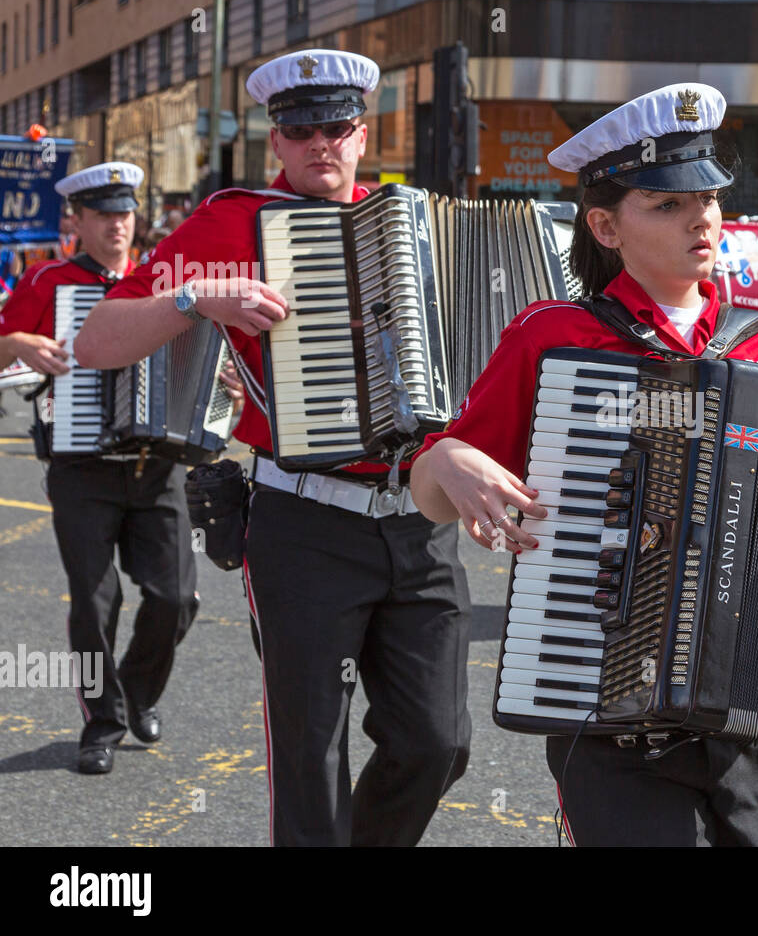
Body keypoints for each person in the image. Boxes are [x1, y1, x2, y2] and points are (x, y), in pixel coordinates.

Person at [409, 82, 758, 847]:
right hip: (607, 717)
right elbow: (429, 493)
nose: (702, 218)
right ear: (604, 225)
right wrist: (448, 456)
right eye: (666, 204)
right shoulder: (554, 336)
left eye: (710, 198)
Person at [72, 50, 473, 845]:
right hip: (305, 523)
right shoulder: (231, 222)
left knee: (438, 743)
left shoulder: (423, 225)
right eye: (299, 130)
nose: (319, 143)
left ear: (363, 135)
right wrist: (196, 296)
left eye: (335, 127)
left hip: (422, 516)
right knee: (309, 750)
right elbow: (97, 342)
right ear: (276, 142)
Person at [0, 163, 203, 776]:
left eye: (126, 213)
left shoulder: (161, 281)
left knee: (175, 598)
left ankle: (137, 693)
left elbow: (200, 352)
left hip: (158, 463)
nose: (118, 224)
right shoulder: (49, 283)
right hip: (80, 465)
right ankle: (103, 721)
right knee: (94, 603)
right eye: (104, 214)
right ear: (78, 221)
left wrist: (212, 385)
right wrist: (15, 346)